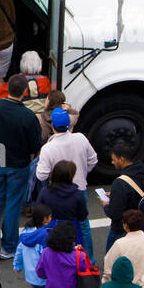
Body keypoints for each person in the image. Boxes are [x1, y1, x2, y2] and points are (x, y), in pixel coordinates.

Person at [0, 73, 43, 260]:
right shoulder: (27, 116)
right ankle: (9, 246)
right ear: (25, 91)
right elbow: (35, 145)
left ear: (7, 88)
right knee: (13, 204)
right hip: (17, 165)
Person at [35, 107, 98, 255]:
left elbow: (41, 175)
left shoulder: (48, 148)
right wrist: (83, 172)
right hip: (79, 189)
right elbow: (93, 159)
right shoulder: (81, 138)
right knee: (83, 226)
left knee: (53, 227)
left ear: (52, 126)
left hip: (54, 192)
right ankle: (88, 259)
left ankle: (55, 257)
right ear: (68, 125)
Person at [102, 141, 144, 252]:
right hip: (141, 227)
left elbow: (114, 213)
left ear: (122, 159)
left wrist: (105, 205)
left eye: (114, 159)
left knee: (112, 264)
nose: (112, 162)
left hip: (122, 231)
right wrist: (116, 195)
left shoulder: (120, 183)